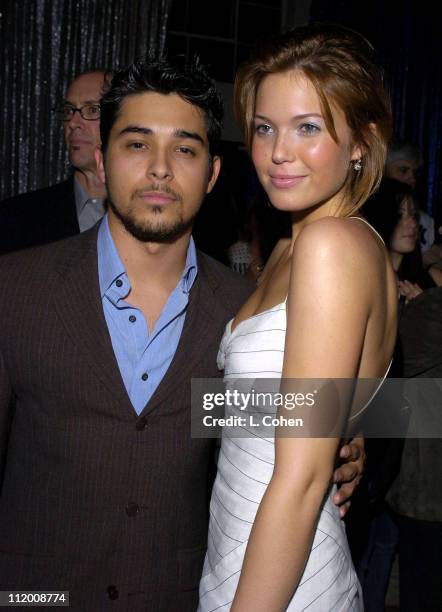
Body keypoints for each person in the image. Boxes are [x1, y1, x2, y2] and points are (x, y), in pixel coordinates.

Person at [0, 56, 363, 611]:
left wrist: (351, 425)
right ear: (102, 159)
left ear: (214, 173)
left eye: (186, 149)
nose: (161, 169)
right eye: (137, 144)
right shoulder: (16, 289)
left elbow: (238, 413)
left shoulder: (241, 314)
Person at [198, 24, 397, 611]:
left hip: (284, 575)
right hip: (245, 542)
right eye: (264, 128)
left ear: (361, 141)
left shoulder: (330, 245)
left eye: (308, 127)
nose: (278, 152)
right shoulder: (293, 245)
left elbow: (304, 476)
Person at [0, 69, 108, 254]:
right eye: (68, 110)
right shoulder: (15, 218)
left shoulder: (150, 214)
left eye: (92, 109)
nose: (73, 123)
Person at [362, 177, 441, 303]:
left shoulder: (435, 278)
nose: (413, 223)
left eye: (414, 215)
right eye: (400, 215)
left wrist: (427, 307)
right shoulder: (364, 281)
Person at [384, 139, 435, 252]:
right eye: (403, 170)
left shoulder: (426, 222)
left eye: (415, 173)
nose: (412, 179)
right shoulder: (363, 217)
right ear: (383, 171)